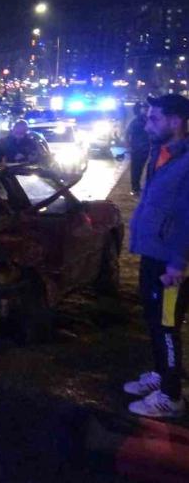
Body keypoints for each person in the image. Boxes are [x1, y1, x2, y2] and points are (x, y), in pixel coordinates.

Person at [125, 94, 189, 419]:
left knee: (166, 325)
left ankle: (171, 396)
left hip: (171, 263)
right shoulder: (162, 153)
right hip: (154, 253)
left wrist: (178, 262)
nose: (147, 124)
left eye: (154, 118)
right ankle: (162, 374)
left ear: (176, 121)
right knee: (154, 319)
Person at [126, 102, 150, 195]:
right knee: (136, 169)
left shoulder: (147, 119)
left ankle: (140, 187)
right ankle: (135, 188)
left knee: (144, 168)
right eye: (144, 108)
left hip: (146, 148)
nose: (146, 110)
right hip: (137, 149)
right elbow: (127, 133)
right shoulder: (136, 121)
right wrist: (128, 145)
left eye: (147, 108)